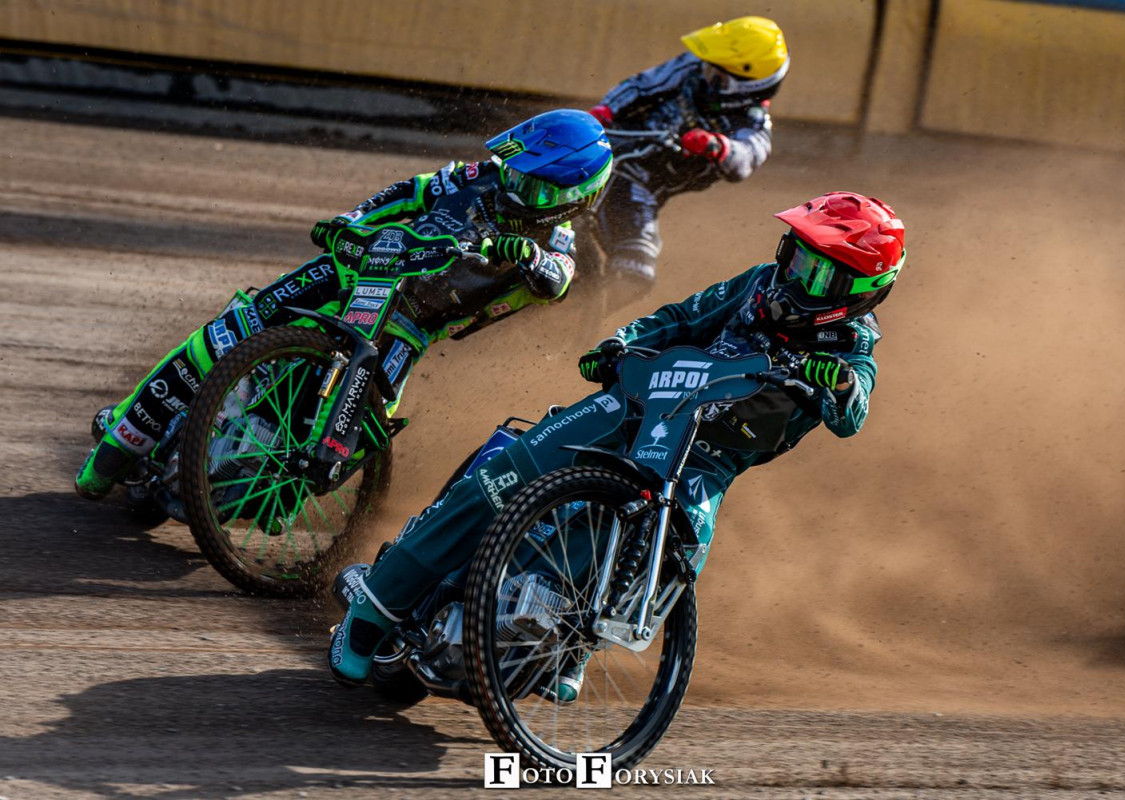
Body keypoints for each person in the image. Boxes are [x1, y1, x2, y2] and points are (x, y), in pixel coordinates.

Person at [327, 191, 906, 702]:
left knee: (677, 549)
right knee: (503, 478)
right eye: (797, 255)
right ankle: (372, 610)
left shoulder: (852, 349)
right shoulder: (758, 282)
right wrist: (621, 342)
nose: (796, 276)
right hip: (635, 406)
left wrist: (842, 385)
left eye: (818, 272)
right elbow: (682, 318)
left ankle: (571, 644)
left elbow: (853, 412)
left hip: (704, 462)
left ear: (860, 290)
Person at [75, 109, 613, 500]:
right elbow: (410, 191)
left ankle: (267, 481)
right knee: (230, 333)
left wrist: (529, 257)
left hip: (409, 326)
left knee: (357, 434)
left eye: (532, 187)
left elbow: (557, 282)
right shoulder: (481, 175)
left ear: (574, 198)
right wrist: (351, 221)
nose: (513, 187)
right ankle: (126, 434)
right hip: (358, 268)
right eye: (514, 172)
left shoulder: (559, 243)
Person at [583, 16, 789, 286]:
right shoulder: (694, 66)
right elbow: (642, 84)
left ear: (745, 86)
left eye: (716, 75)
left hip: (640, 186)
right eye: (708, 67)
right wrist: (606, 110)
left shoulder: (754, 127)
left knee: (636, 272)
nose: (705, 75)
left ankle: (579, 304)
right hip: (608, 144)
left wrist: (716, 146)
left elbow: (746, 156)